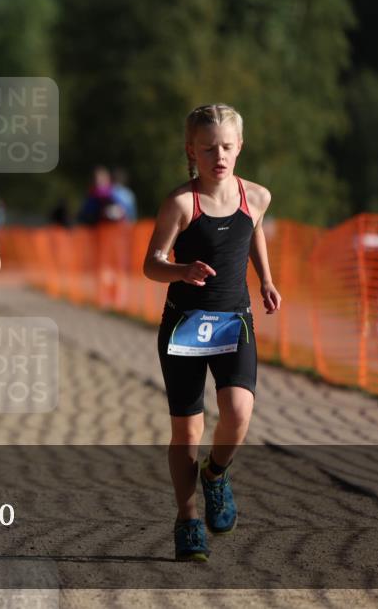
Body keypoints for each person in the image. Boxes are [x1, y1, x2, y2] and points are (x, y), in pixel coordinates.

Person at [143, 104, 281, 561]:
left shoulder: (256, 196)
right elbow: (151, 264)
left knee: (239, 411)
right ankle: (187, 520)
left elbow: (253, 230)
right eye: (208, 148)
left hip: (233, 319)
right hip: (184, 325)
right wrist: (181, 270)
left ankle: (216, 473)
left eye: (226, 146)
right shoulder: (182, 203)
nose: (218, 155)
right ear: (191, 151)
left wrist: (265, 279)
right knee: (187, 430)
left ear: (239, 147)